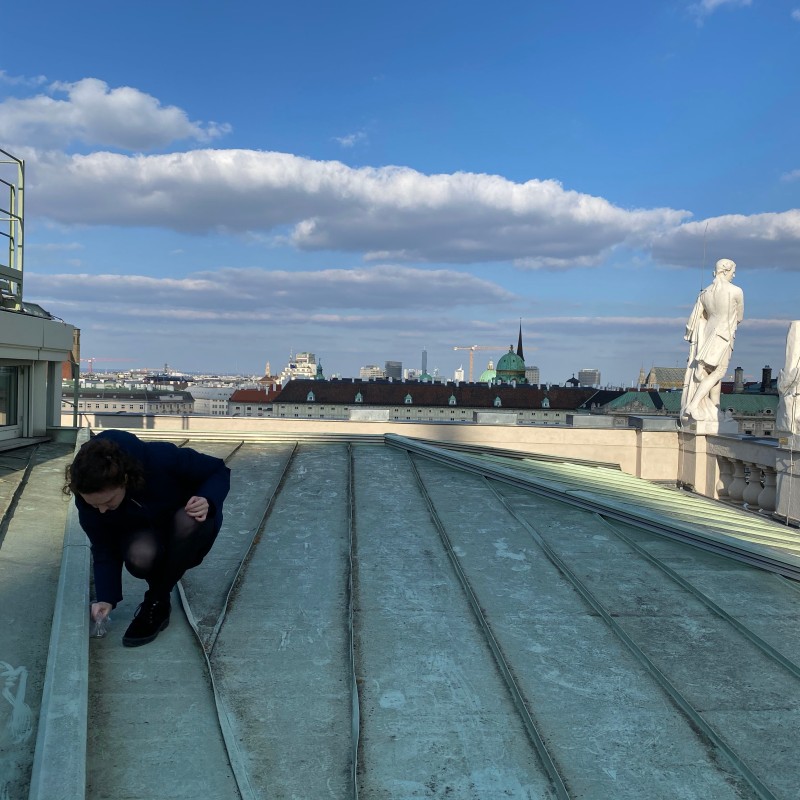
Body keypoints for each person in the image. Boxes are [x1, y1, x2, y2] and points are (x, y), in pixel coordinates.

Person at [64, 429, 231, 647]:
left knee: (189, 520)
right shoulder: (88, 495)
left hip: (188, 527)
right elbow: (103, 546)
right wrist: (106, 598)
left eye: (108, 502)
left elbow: (218, 469)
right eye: (95, 505)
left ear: (125, 479)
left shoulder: (161, 457)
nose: (102, 510)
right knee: (139, 556)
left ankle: (156, 600)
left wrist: (207, 499)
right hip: (143, 534)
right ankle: (160, 594)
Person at [681, 258, 744, 422]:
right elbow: (740, 317)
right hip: (724, 335)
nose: (734, 275)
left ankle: (715, 409)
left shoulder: (705, 293)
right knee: (719, 372)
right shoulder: (736, 291)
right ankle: (693, 405)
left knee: (712, 373)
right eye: (733, 272)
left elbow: (694, 319)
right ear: (726, 271)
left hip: (707, 334)